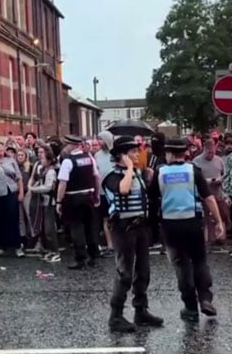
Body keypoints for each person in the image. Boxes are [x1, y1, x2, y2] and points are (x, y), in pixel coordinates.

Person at [147, 137, 224, 322]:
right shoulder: (193, 170)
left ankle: (190, 307)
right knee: (199, 261)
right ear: (184, 153)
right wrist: (219, 221)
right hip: (193, 222)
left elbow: (151, 199)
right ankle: (205, 299)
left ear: (171, 154)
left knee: (181, 265)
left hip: (170, 225)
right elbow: (209, 198)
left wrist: (150, 227)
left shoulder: (160, 172)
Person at [102, 136, 163, 332]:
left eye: (138, 151)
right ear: (122, 156)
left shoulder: (138, 174)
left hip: (140, 228)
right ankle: (116, 316)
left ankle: (141, 310)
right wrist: (129, 169)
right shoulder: (112, 176)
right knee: (124, 273)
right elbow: (124, 190)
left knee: (143, 272)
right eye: (133, 152)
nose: (138, 154)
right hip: (123, 228)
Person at [56, 134, 102, 270]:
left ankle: (80, 258)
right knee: (91, 228)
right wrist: (97, 194)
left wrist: (59, 201)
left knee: (76, 229)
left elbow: (62, 184)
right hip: (89, 196)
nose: (65, 148)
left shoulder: (68, 161)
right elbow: (97, 177)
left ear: (72, 146)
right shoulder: (89, 158)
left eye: (67, 145)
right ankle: (94, 257)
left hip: (73, 198)